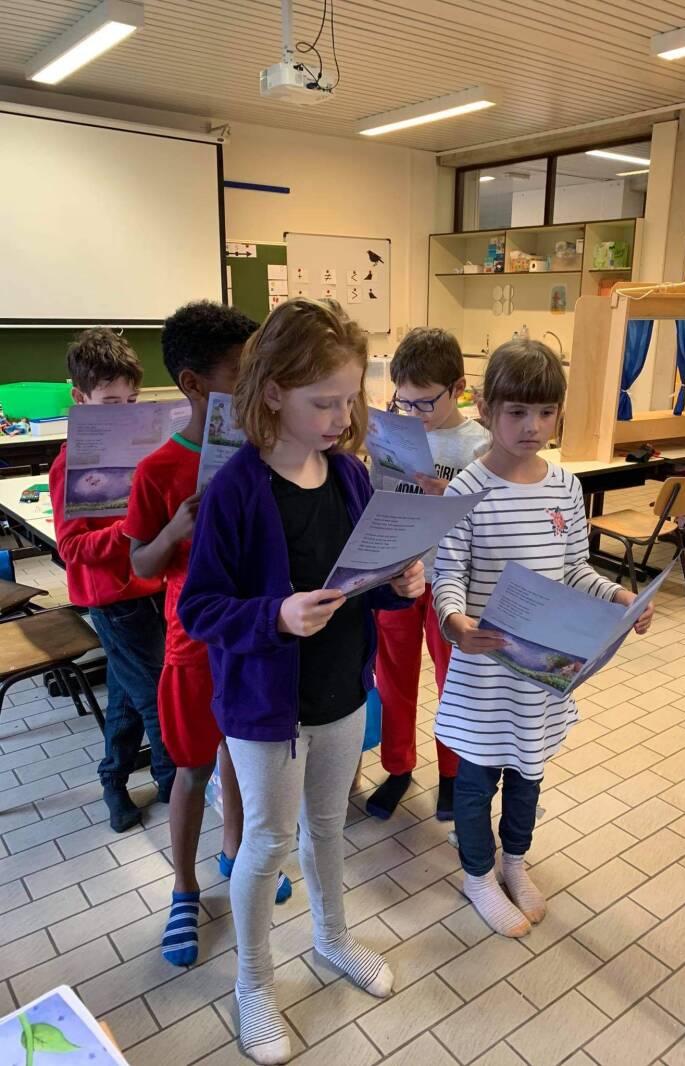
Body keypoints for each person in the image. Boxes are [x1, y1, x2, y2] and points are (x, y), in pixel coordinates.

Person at [178, 298, 425, 1065]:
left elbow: (362, 584)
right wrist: (276, 616)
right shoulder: (236, 489)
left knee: (326, 829)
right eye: (324, 402)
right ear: (274, 392)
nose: (340, 417)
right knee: (267, 843)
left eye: (349, 400)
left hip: (341, 694)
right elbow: (199, 608)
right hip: (265, 711)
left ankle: (332, 938)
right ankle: (253, 981)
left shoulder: (348, 475)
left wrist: (401, 585)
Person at [432, 339, 655, 938]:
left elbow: (575, 567)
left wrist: (618, 595)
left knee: (528, 775)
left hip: (540, 673)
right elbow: (447, 574)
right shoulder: (466, 490)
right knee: (476, 781)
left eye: (546, 412)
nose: (532, 426)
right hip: (484, 671)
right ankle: (477, 875)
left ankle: (514, 862)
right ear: (486, 410)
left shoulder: (564, 488)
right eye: (517, 412)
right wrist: (455, 622)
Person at [124, 301, 290, 970]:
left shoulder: (262, 455)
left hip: (249, 637)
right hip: (193, 646)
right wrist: (175, 530)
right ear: (194, 385)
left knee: (240, 756)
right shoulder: (158, 470)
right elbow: (140, 565)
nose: (256, 384)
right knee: (192, 767)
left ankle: (235, 850)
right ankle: (184, 889)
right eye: (241, 373)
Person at [49, 328, 175, 832]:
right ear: (79, 399)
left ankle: (113, 780)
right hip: (114, 601)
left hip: (154, 589)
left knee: (126, 694)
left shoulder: (142, 452)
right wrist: (131, 530)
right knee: (158, 701)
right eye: (110, 403)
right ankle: (175, 787)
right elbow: (72, 549)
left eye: (131, 402)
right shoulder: (70, 464)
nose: (123, 413)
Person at [368, 328, 490, 822]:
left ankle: (452, 774)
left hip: (451, 582)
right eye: (405, 402)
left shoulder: (479, 444)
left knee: (451, 681)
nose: (414, 413)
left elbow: (493, 520)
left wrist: (451, 497)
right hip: (397, 573)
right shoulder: (392, 433)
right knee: (392, 677)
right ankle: (397, 767)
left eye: (425, 403)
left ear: (458, 388)